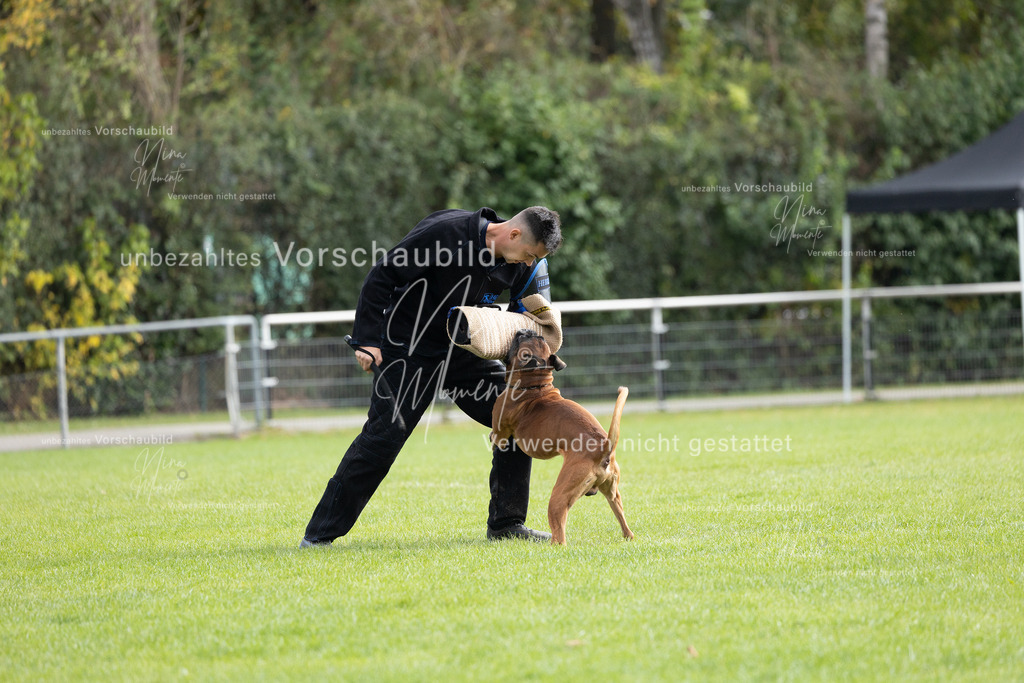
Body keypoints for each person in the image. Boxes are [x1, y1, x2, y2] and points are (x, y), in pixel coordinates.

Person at [301, 206, 563, 546]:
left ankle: (506, 524)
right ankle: (319, 536)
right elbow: (383, 275)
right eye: (528, 255)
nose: (529, 263)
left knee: (516, 414)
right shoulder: (446, 234)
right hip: (408, 348)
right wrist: (367, 340)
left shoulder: (524, 265)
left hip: (462, 350)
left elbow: (531, 317)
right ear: (513, 234)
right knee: (384, 437)